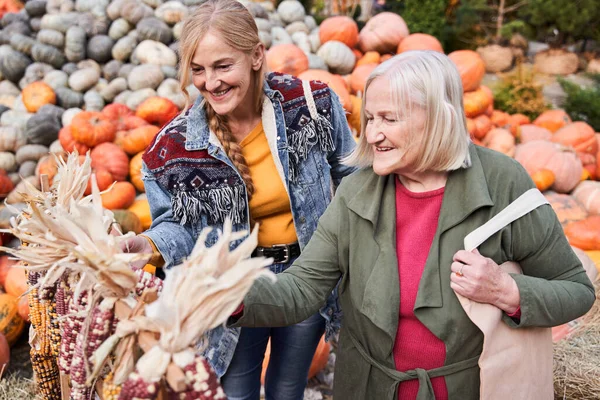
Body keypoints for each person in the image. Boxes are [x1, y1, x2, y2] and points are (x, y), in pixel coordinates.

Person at [229, 50, 596, 400]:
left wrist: (505, 291)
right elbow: (302, 288)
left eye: (389, 119)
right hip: (366, 388)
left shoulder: (503, 182)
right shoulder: (358, 191)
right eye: (371, 118)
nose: (372, 135)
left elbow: (577, 291)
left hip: (467, 389)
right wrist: (225, 297)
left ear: (438, 116)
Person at [119, 1, 356, 399]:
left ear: (256, 56)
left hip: (308, 273)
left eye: (222, 66)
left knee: (286, 387)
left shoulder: (311, 106)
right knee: (236, 389)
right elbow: (176, 225)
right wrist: (150, 243)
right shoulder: (173, 148)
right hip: (232, 286)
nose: (210, 82)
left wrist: (346, 254)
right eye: (198, 70)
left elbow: (351, 176)